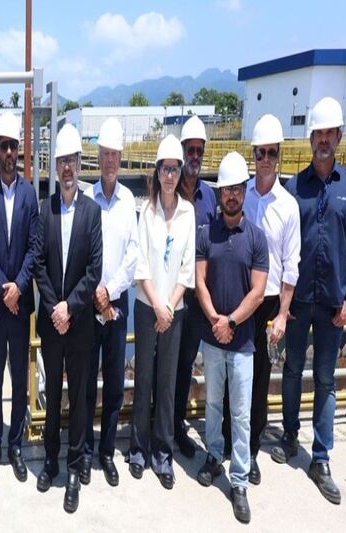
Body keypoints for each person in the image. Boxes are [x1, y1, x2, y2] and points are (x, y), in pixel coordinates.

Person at [274, 96, 346, 504]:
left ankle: (321, 457)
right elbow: (283, 247)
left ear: (339, 137)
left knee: (327, 380)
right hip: (298, 301)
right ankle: (290, 435)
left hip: (333, 302)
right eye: (319, 133)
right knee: (293, 369)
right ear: (311, 138)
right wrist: (282, 304)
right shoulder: (294, 188)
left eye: (331, 133)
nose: (324, 140)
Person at [219, 115, 300, 486]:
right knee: (230, 373)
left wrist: (282, 314)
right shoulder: (242, 194)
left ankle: (249, 451)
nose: (265, 159)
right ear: (253, 155)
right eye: (260, 152)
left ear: (279, 155)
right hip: (237, 301)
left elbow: (291, 265)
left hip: (266, 304)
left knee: (258, 380)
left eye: (271, 152)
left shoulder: (288, 206)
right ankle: (225, 441)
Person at [195, 152, 268, 524]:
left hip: (242, 344)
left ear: (244, 191)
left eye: (238, 189)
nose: (232, 195)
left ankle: (238, 480)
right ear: (220, 193)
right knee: (212, 406)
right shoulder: (206, 234)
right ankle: (213, 455)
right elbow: (199, 281)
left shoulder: (256, 238)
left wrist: (231, 323)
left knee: (240, 413)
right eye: (227, 190)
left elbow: (258, 292)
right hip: (212, 339)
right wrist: (214, 319)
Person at [34, 124, 102, 513]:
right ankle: (51, 459)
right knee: (52, 395)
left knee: (77, 398)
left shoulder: (91, 213)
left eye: (72, 160)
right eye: (61, 161)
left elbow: (94, 270)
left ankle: (75, 469)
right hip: (52, 322)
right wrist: (53, 307)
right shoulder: (45, 210)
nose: (67, 168)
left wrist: (69, 307)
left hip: (78, 324)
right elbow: (39, 265)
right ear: (55, 165)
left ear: (79, 163)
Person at [128, 134, 195, 490]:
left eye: (174, 169)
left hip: (175, 310)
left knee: (167, 383)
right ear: (156, 172)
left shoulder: (188, 212)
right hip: (146, 306)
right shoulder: (147, 212)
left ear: (180, 172)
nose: (169, 175)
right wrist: (156, 304)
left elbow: (187, 269)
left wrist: (169, 307)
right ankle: (138, 448)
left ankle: (162, 453)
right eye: (164, 169)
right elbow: (140, 264)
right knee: (144, 379)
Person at [82, 118, 138, 487]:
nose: (110, 161)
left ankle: (106, 451)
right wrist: (96, 293)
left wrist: (110, 291)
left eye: (115, 155)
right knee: (88, 381)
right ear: (98, 156)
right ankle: (86, 451)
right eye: (104, 154)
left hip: (116, 306)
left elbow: (132, 255)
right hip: (91, 306)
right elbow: (82, 252)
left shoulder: (128, 201)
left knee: (114, 382)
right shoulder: (87, 199)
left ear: (120, 157)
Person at [0, 111, 37, 483]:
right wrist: (6, 288)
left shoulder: (29, 195)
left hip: (19, 308)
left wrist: (18, 285)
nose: (8, 153)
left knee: (19, 378)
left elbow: (34, 247)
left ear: (18, 150)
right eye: (3, 146)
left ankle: (15, 444)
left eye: (13, 147)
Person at [174, 115, 217, 458]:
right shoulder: (167, 192)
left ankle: (176, 425)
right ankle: (159, 424)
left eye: (199, 150)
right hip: (169, 296)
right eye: (190, 149)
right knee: (163, 362)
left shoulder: (211, 198)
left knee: (186, 362)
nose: (194, 156)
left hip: (198, 299)